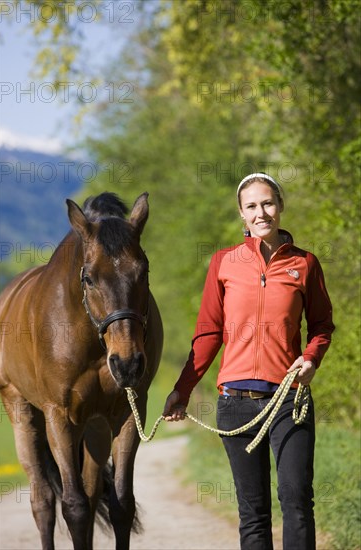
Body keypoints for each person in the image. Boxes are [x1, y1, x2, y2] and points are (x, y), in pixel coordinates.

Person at [163, 173, 335, 550]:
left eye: (268, 203)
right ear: (242, 214)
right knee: (253, 512)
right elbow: (208, 332)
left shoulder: (305, 264)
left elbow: (322, 325)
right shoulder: (224, 263)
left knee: (296, 501)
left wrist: (311, 359)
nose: (262, 213)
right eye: (252, 206)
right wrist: (182, 389)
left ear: (280, 206)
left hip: (289, 401)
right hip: (235, 404)